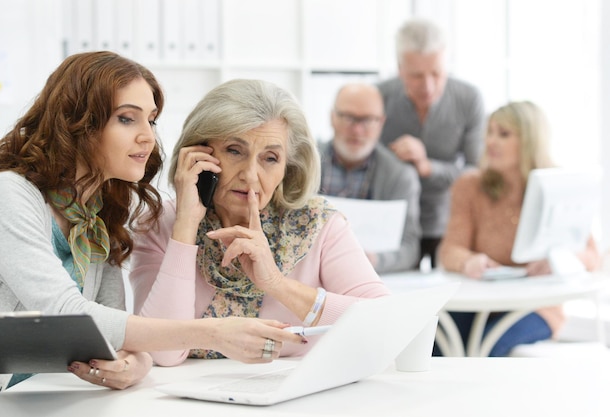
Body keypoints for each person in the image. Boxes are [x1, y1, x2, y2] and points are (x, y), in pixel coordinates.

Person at [0, 52, 303, 401]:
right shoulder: (6, 194)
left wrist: (133, 363)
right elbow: (65, 313)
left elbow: (114, 328)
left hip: (40, 399)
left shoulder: (95, 214)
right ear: (78, 122)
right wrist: (212, 333)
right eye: (127, 119)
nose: (148, 138)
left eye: (150, 121)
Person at [129, 78, 392, 366]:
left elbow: (384, 322)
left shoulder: (319, 224)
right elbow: (161, 353)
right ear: (200, 152)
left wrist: (277, 283)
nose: (251, 175)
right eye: (234, 150)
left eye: (270, 158)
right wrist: (185, 228)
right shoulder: (161, 224)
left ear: (287, 169)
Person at [437, 100, 600, 356]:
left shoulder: (557, 184)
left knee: (494, 348)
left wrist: (557, 261)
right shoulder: (469, 186)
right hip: (481, 302)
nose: (491, 141)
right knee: (435, 345)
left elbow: (591, 255)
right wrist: (469, 261)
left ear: (529, 141)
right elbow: (450, 250)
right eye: (489, 132)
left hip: (537, 307)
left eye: (503, 134)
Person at [377, 17, 485, 269]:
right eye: (416, 75)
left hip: (448, 221)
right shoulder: (378, 97)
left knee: (450, 300)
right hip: (392, 224)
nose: (428, 86)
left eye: (436, 73)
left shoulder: (469, 99)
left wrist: (428, 167)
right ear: (399, 67)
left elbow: (475, 173)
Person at [318, 82, 421, 272]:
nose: (357, 130)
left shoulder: (400, 175)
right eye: (349, 118)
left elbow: (410, 248)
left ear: (381, 123)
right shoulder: (303, 164)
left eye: (367, 120)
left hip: (371, 279)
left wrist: (374, 260)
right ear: (332, 117)